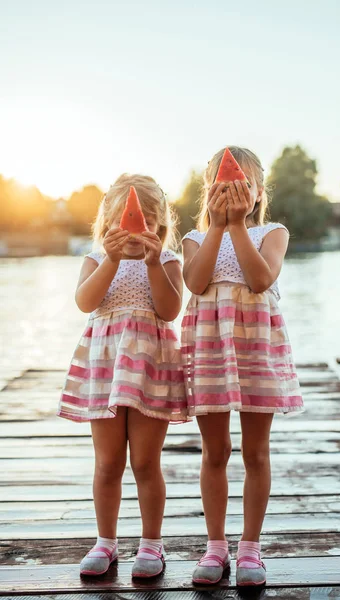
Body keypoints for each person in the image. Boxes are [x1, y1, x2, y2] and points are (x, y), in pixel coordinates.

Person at [181, 146, 303, 587]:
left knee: (255, 452)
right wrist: (217, 226)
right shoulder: (194, 239)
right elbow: (194, 283)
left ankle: (250, 548)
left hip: (256, 345)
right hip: (210, 344)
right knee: (215, 452)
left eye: (241, 185)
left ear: (258, 192)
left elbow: (260, 279)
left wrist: (236, 226)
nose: (232, 192)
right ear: (207, 193)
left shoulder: (274, 232)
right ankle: (215, 548)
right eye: (223, 186)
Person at [58, 174, 186, 579]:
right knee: (108, 462)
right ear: (108, 223)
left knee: (146, 462)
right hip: (106, 367)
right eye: (130, 219)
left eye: (148, 221)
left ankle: (152, 545)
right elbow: (85, 301)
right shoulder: (96, 259)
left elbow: (169, 311)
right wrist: (112, 259)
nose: (137, 228)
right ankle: (106, 543)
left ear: (161, 227)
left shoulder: (167, 261)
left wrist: (152, 262)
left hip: (152, 367)